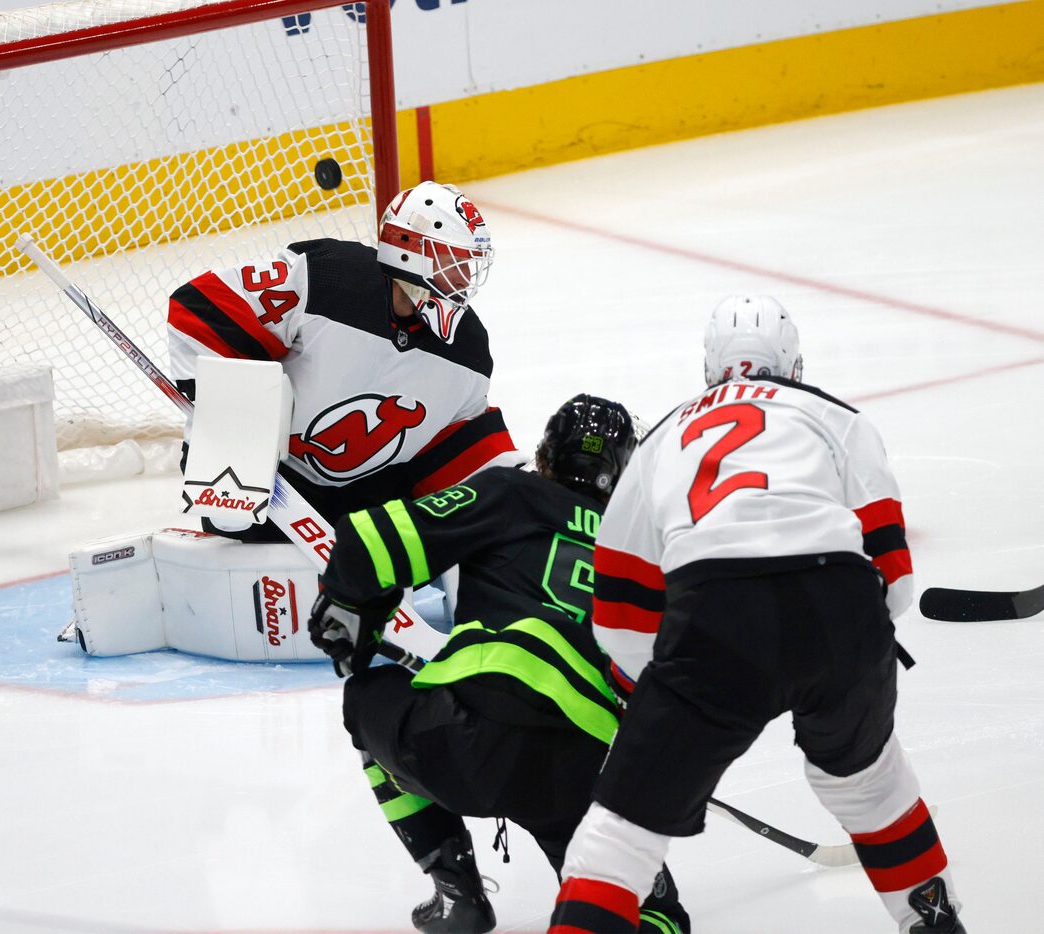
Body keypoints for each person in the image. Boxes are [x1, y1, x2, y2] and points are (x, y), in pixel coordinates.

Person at [550, 296, 965, 934]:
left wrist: (661, 704)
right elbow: (896, 581)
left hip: (716, 616)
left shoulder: (661, 438)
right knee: (869, 784)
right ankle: (936, 921)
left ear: (709, 371)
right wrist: (844, 653)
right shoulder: (836, 415)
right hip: (841, 609)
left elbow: (622, 620)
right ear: (793, 364)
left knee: (621, 834)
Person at [309, 395, 691, 934]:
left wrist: (353, 611)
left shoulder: (513, 492)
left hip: (460, 742)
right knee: (654, 916)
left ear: (547, 458)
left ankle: (456, 893)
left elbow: (372, 543)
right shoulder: (646, 551)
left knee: (368, 697)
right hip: (579, 776)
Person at [167, 180, 522, 539]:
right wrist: (234, 429)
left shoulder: (468, 349)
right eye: (453, 263)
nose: (464, 279)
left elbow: (460, 450)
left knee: (474, 529)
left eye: (468, 266)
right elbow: (199, 312)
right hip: (275, 474)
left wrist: (518, 495)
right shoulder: (327, 279)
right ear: (409, 250)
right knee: (239, 525)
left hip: (367, 493)